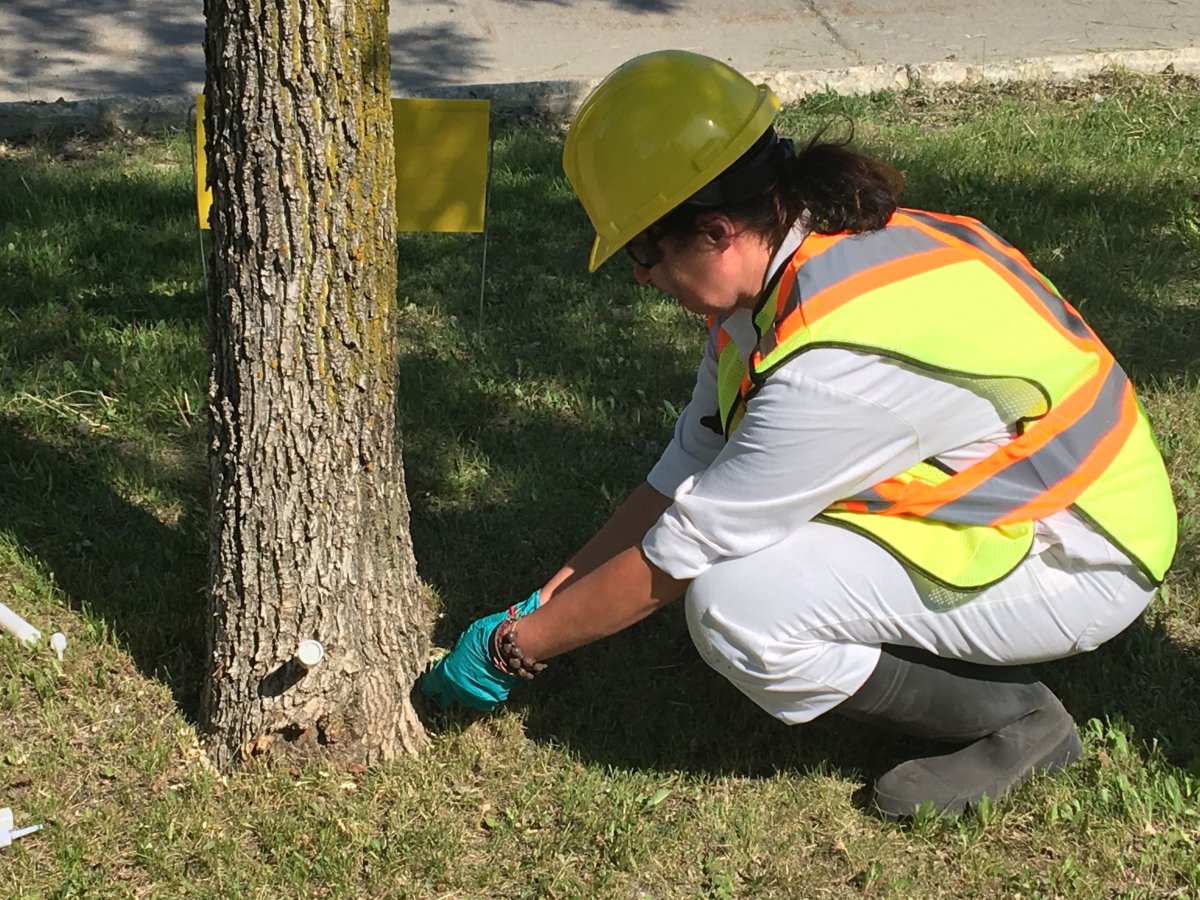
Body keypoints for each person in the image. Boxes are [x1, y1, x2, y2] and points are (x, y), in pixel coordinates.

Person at [420, 49, 1178, 819]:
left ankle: (1017, 722)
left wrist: (519, 650)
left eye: (643, 255)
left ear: (714, 230)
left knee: (736, 605)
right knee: (750, 540)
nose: (642, 279)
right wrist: (554, 591)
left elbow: (685, 546)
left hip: (1080, 554)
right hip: (1036, 501)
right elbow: (692, 460)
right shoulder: (788, 273)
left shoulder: (833, 359)